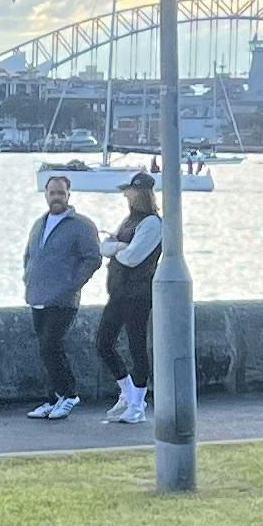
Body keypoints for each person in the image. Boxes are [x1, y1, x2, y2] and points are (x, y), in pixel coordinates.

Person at [22, 168, 102, 419]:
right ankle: (53, 398)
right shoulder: (39, 223)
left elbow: (93, 259)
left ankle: (69, 395)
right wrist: (28, 276)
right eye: (52, 192)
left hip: (64, 299)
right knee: (44, 350)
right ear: (45, 194)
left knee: (50, 346)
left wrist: (72, 284)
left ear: (68, 195)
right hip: (38, 296)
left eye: (61, 193)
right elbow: (29, 255)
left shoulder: (81, 225)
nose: (56, 197)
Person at [96, 170, 163, 425]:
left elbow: (133, 258)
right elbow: (105, 248)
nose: (126, 195)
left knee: (137, 348)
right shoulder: (129, 221)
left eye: (130, 191)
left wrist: (118, 247)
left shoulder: (152, 223)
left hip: (138, 295)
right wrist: (119, 247)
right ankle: (127, 392)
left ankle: (138, 404)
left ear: (140, 193)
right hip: (119, 293)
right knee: (103, 343)